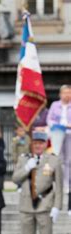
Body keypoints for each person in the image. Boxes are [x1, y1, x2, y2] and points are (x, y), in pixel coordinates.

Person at [12, 130, 63, 234]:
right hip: (26, 204)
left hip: (45, 204)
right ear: (32, 144)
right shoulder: (24, 159)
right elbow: (15, 179)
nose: (38, 146)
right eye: (35, 143)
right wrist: (27, 167)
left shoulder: (53, 160)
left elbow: (58, 186)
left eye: (41, 143)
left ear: (45, 144)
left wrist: (57, 207)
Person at [47, 84, 71, 215]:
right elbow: (49, 119)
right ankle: (58, 182)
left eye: (69, 93)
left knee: (68, 160)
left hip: (69, 134)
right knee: (57, 159)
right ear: (60, 94)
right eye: (65, 93)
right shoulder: (55, 105)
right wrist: (55, 125)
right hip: (57, 133)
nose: (67, 95)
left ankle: (67, 183)